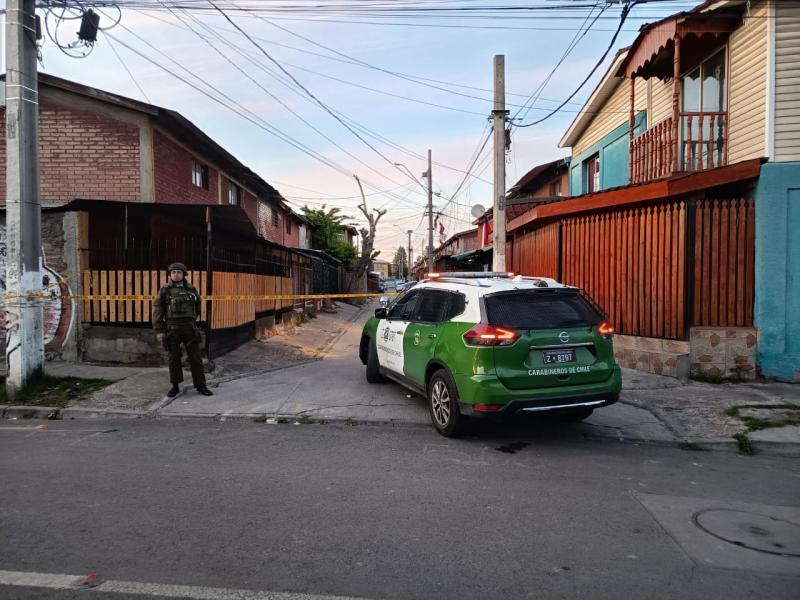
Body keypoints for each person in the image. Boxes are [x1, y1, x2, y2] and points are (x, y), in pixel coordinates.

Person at [153, 262, 213, 397]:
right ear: (170, 274)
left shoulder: (192, 289)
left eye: (178, 272)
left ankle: (201, 386)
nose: (176, 274)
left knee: (195, 358)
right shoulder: (164, 290)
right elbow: (158, 311)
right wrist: (159, 330)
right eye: (173, 272)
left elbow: (197, 306)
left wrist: (190, 320)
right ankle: (175, 386)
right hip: (171, 329)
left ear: (184, 274)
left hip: (189, 328)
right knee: (174, 359)